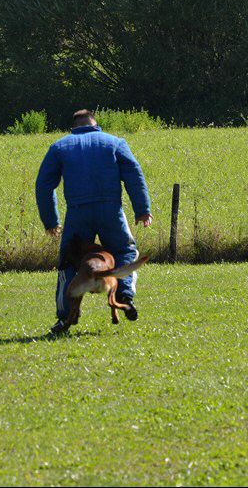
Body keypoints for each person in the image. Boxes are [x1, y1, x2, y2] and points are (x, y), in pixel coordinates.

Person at [35, 109, 153, 334]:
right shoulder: (115, 143)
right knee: (125, 252)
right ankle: (124, 294)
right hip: (111, 210)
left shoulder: (60, 147)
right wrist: (142, 209)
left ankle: (65, 316)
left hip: (78, 213)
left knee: (68, 262)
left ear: (74, 126)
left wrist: (51, 220)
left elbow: (43, 185)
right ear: (95, 124)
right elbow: (134, 175)